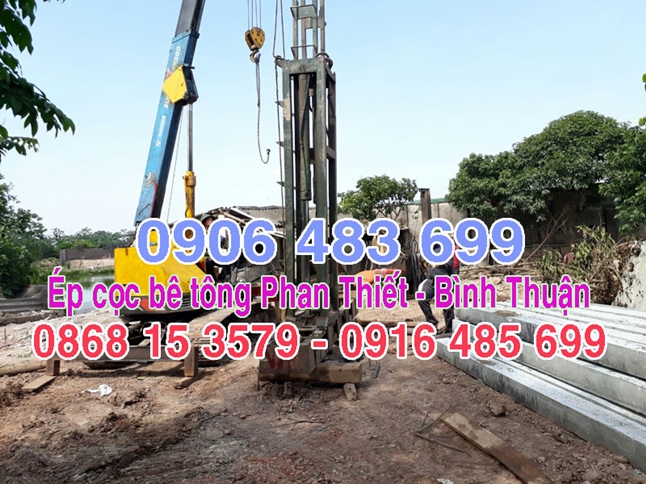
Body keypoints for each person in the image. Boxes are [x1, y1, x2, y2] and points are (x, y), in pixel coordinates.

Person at [418, 248, 455, 334]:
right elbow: (422, 260)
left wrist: (438, 263)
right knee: (422, 298)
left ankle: (450, 329)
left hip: (443, 280)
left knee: (447, 305)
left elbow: (451, 263)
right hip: (431, 280)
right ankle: (432, 322)